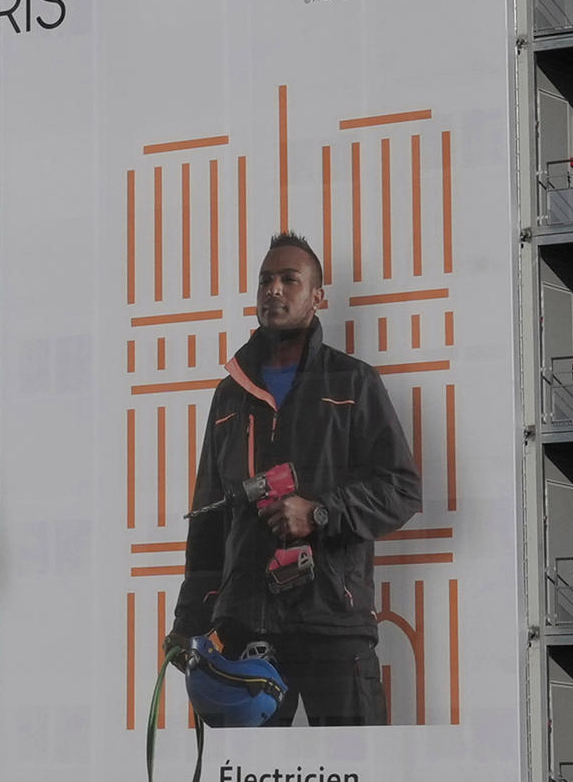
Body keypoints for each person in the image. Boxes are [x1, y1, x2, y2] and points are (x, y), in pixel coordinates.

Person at [172, 232, 421, 726]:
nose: (275, 290)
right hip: (242, 634)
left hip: (333, 624)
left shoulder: (353, 383)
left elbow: (402, 488)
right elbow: (207, 526)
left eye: (290, 279)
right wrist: (189, 625)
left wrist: (320, 513)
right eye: (266, 280)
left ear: (317, 297)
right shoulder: (230, 395)